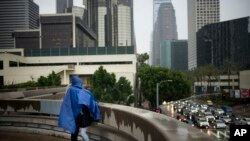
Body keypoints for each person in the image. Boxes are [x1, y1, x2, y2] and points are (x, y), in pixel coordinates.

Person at [58, 75, 101, 141]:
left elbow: (67, 104)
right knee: (81, 133)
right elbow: (90, 102)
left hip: (74, 116)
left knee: (74, 133)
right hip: (81, 116)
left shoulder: (70, 90)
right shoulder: (83, 91)